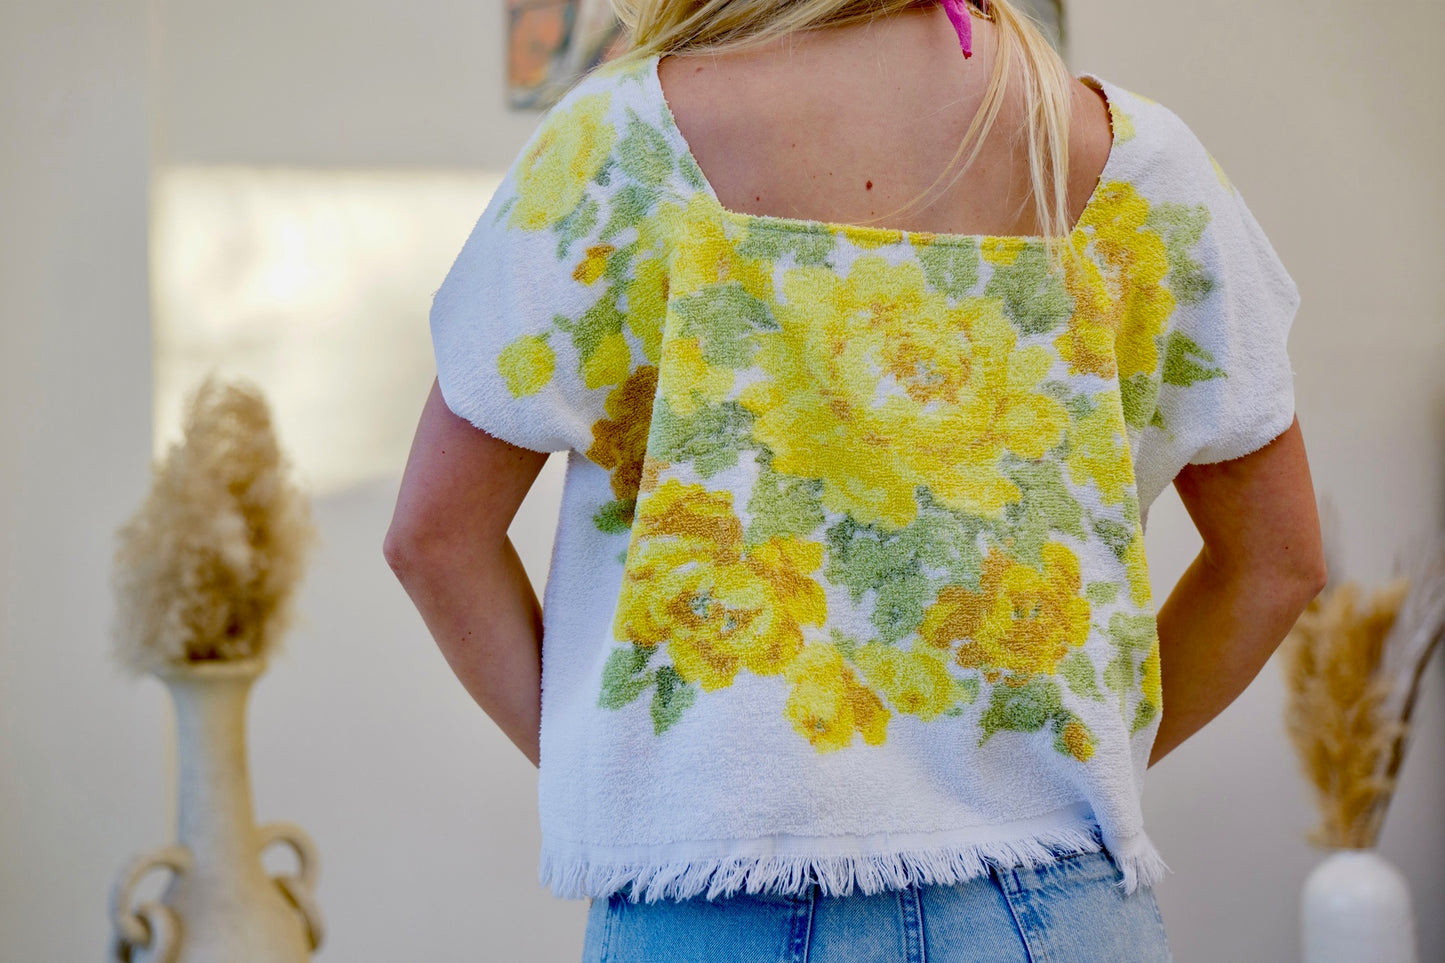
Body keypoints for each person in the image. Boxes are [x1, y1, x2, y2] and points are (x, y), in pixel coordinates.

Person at [384, 0, 1327, 958]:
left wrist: (646, 777)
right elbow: (1277, 563)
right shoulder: (1137, 161)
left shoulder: (619, 140)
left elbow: (433, 538)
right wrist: (1072, 768)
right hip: (1054, 902)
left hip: (713, 906)